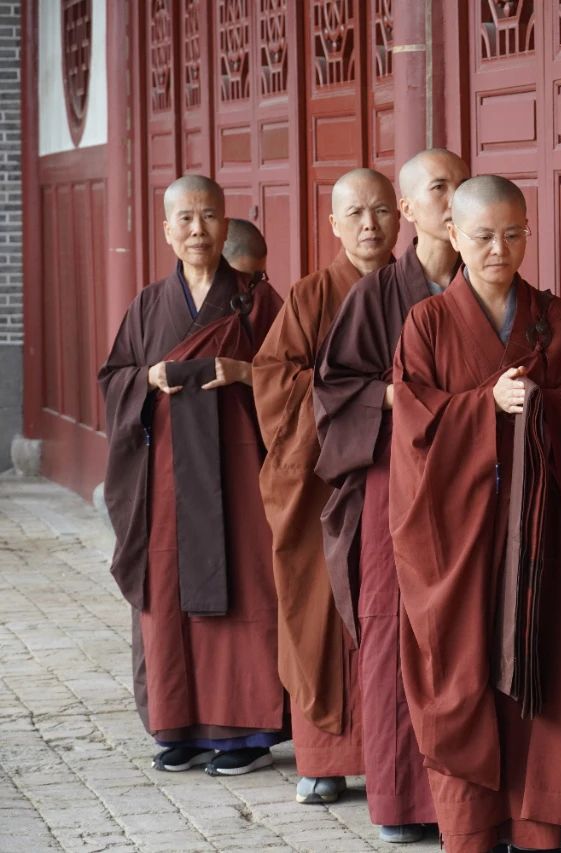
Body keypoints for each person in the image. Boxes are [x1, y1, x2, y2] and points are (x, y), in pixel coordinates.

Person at [388, 175, 561, 853]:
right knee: (464, 675)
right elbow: (412, 426)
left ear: (529, 232)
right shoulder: (429, 324)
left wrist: (543, 405)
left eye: (513, 234)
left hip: (544, 544)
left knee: (548, 676)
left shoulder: (559, 321)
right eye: (482, 236)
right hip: (465, 545)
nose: (499, 249)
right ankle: (473, 828)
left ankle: (537, 827)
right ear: (450, 235)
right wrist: (482, 406)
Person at [98, 174, 286, 777]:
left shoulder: (258, 303)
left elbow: (295, 377)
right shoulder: (150, 304)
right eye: (185, 219)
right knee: (168, 593)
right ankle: (178, 724)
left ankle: (246, 733)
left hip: (239, 474)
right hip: (168, 479)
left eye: (209, 217)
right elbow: (113, 378)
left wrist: (245, 371)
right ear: (167, 231)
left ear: (225, 224)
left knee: (249, 591)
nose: (198, 229)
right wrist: (146, 379)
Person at [312, 148, 470, 843]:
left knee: (467, 633)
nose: (453, 196)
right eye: (439, 187)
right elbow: (335, 390)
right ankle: (404, 800)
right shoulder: (375, 297)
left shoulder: (487, 285)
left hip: (472, 481)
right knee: (392, 628)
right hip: (392, 483)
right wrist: (415, 400)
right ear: (409, 209)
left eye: (462, 184)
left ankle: (469, 798)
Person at [252, 168, 400, 805]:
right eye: (355, 214)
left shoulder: (418, 290)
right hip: (323, 483)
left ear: (402, 217)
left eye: (381, 211)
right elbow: (274, 380)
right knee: (316, 610)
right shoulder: (312, 295)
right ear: (334, 225)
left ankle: (397, 761)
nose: (370, 225)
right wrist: (355, 402)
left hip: (401, 475)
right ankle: (323, 759)